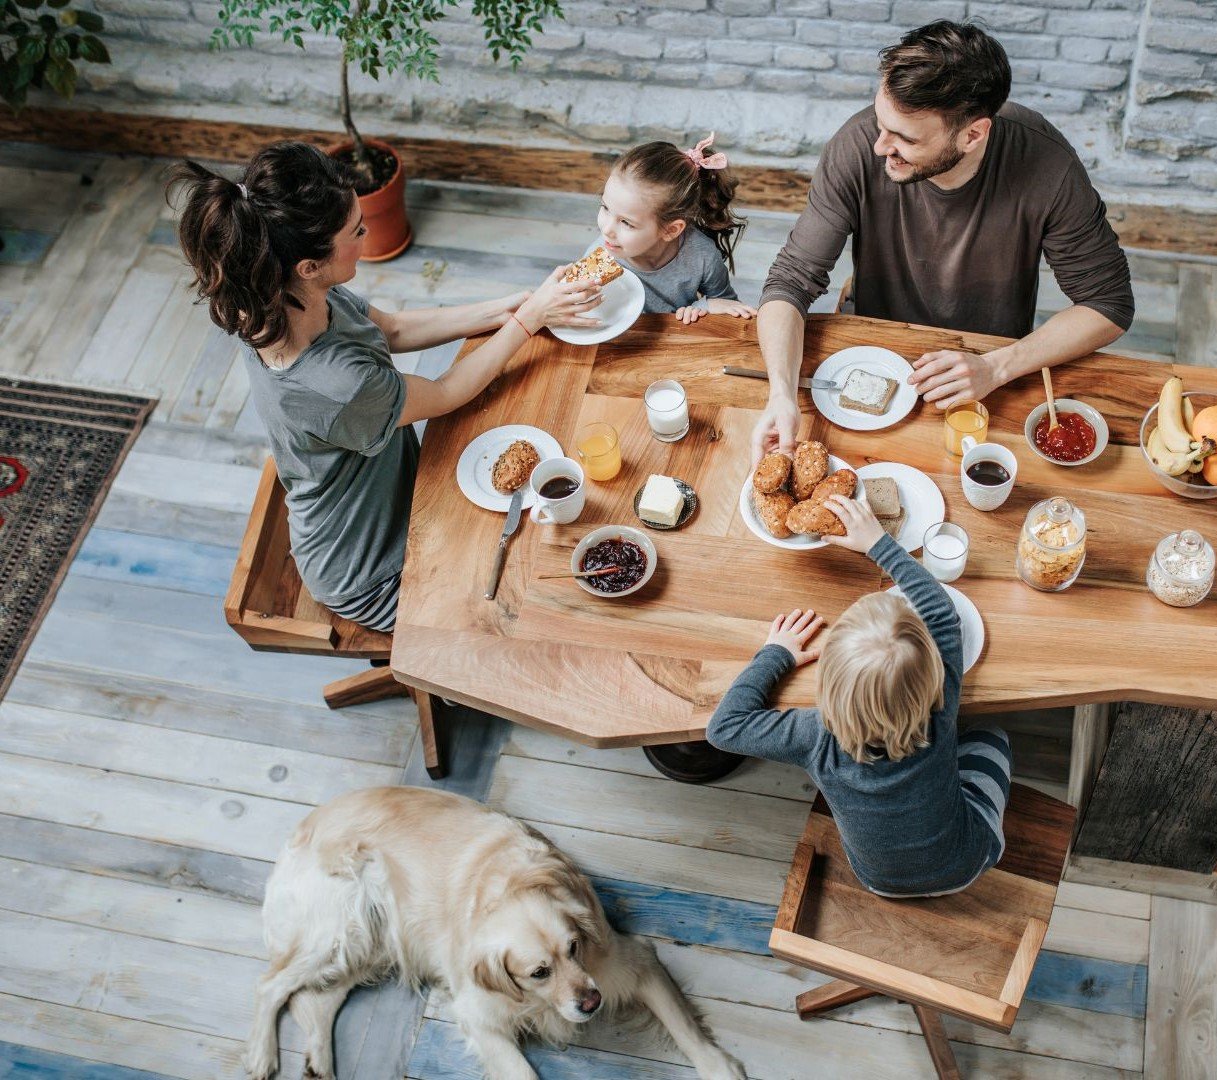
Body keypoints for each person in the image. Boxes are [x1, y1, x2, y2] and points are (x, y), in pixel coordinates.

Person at [169, 141, 602, 632]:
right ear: (309, 266)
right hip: (379, 573)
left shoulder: (283, 295)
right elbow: (445, 394)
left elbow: (392, 329)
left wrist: (513, 306)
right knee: (535, 597)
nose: (366, 231)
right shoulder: (337, 384)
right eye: (356, 231)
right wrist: (528, 321)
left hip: (396, 489)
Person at [751, 20, 1136, 462]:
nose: (880, 147)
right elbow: (789, 282)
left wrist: (997, 365)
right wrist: (781, 394)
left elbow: (1108, 305)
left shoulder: (1048, 165)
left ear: (973, 135)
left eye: (906, 138)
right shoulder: (856, 146)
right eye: (881, 123)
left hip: (990, 365)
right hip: (877, 350)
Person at [705, 497, 1013, 897]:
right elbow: (940, 610)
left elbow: (723, 728)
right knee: (992, 734)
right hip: (968, 861)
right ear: (934, 673)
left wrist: (776, 654)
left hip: (876, 881)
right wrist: (878, 543)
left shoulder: (813, 736)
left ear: (828, 682)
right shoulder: (942, 703)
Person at [596, 134, 758, 325]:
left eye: (626, 223)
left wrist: (702, 308)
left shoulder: (702, 256)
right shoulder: (602, 253)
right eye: (605, 207)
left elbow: (730, 309)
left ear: (671, 230)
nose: (606, 229)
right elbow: (583, 308)